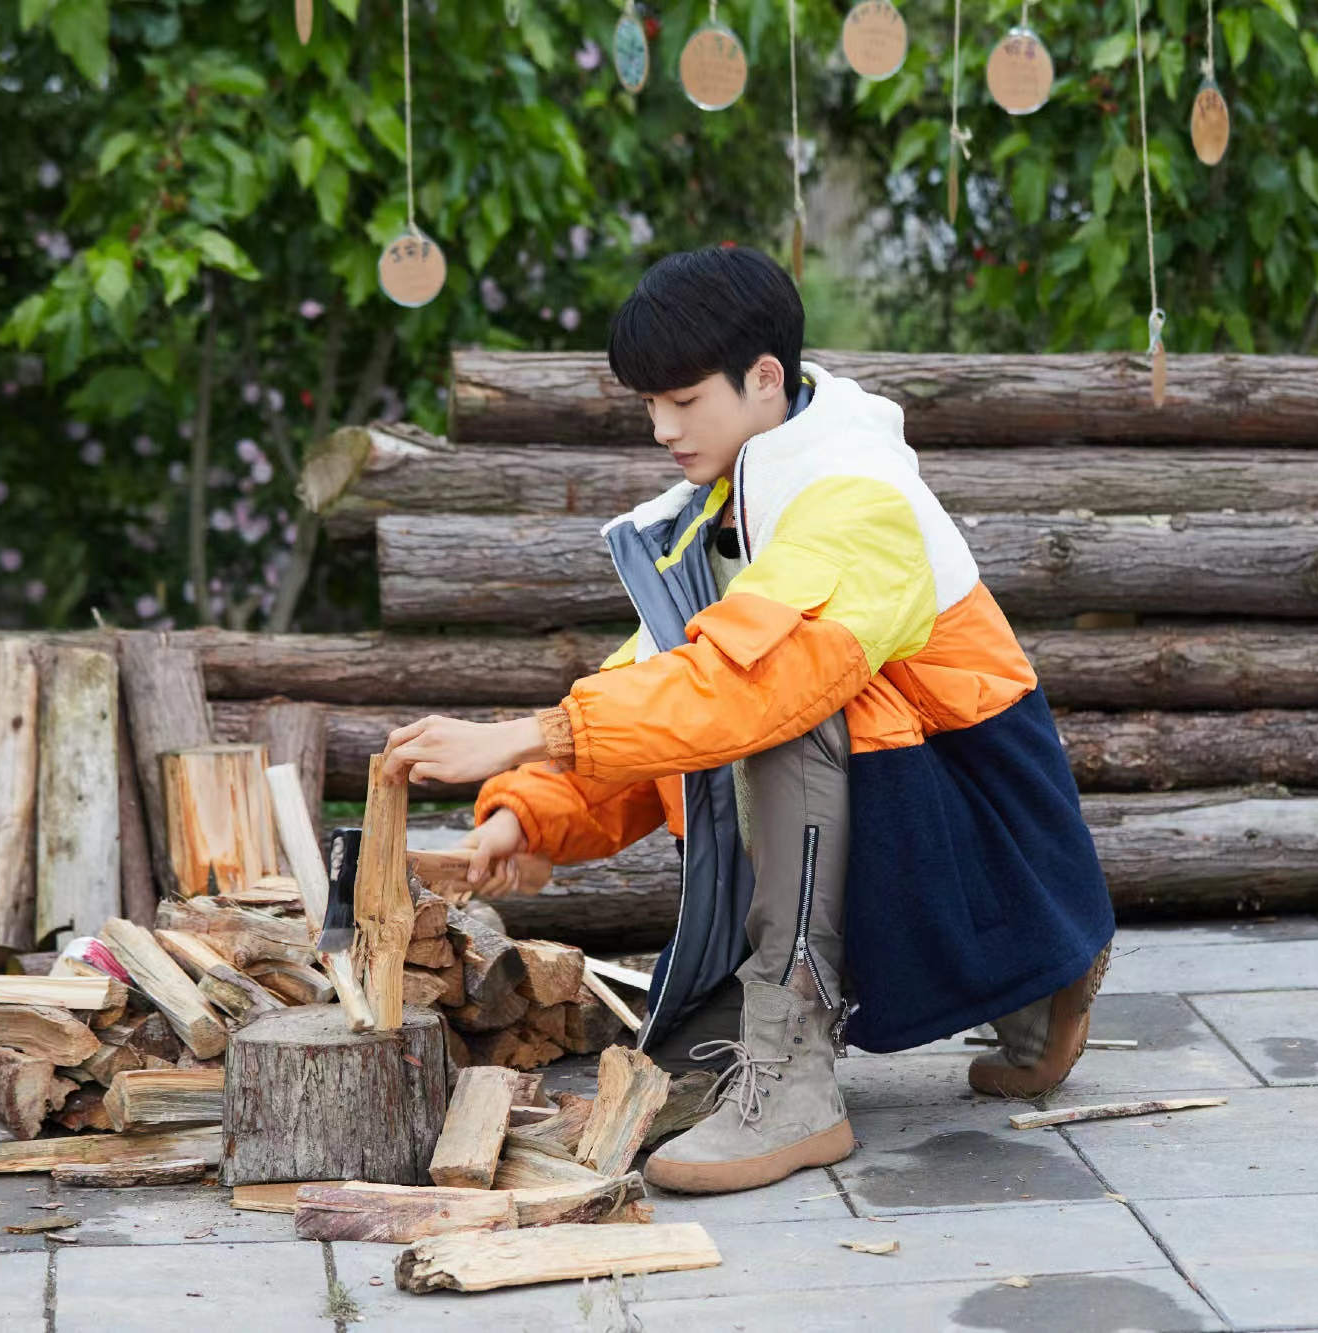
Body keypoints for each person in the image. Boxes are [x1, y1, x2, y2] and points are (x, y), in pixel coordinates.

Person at [380, 245, 1115, 1195]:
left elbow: (747, 681)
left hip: (983, 830)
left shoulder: (855, 494)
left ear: (764, 378)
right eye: (650, 405)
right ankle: (1046, 964)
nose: (661, 429)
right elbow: (661, 673)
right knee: (731, 713)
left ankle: (797, 1080)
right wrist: (532, 810)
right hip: (925, 834)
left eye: (683, 402)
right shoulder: (729, 501)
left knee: (779, 707)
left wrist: (531, 733)